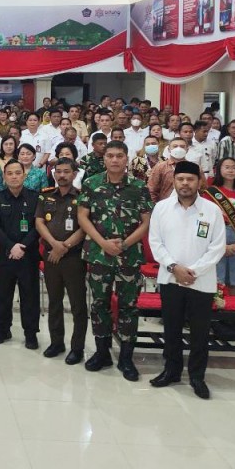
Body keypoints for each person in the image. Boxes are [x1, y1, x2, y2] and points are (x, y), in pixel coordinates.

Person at [148, 161, 226, 400]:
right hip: (170, 278)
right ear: (174, 181)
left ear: (199, 181)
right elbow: (155, 242)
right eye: (180, 179)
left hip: (200, 282)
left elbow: (217, 247)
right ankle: (171, 371)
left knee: (200, 332)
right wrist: (174, 267)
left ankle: (197, 376)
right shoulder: (161, 208)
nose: (185, 183)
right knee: (171, 328)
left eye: (190, 179)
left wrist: (193, 271)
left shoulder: (212, 211)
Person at [77, 140, 153, 381]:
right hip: (99, 254)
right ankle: (102, 353)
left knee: (128, 306)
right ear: (104, 158)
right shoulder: (91, 183)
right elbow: (83, 217)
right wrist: (103, 243)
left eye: (119, 155)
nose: (114, 160)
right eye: (110, 155)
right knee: (99, 303)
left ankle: (126, 358)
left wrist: (125, 244)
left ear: (126, 158)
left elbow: (146, 221)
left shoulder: (139, 187)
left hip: (128, 256)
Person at [35, 157, 88, 364]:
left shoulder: (83, 197)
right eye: (58, 171)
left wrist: (64, 247)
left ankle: (77, 347)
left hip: (73, 257)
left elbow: (85, 227)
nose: (62, 175)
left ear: (74, 174)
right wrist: (54, 245)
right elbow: (39, 222)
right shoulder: (46, 195)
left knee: (77, 304)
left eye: (66, 171)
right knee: (54, 301)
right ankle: (57, 342)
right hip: (51, 256)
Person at [0, 160, 40, 347]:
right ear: (4, 177)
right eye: (9, 173)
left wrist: (22, 247)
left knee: (30, 295)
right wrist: (12, 247)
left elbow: (37, 227)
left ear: (24, 175)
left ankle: (31, 333)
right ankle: (3, 329)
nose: (14, 176)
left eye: (18, 173)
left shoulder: (35, 198)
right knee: (3, 294)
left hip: (29, 255)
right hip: (5, 254)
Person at [203, 158, 235, 295]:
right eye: (227, 167)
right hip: (215, 238)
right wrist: (220, 246)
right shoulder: (211, 193)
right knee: (216, 280)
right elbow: (204, 220)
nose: (231, 170)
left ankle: (233, 314)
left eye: (234, 167)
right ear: (219, 170)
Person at [146, 138, 190, 202]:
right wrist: (156, 207)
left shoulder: (194, 168)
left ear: (187, 149)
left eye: (182, 146)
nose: (178, 149)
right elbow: (151, 190)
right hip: (165, 207)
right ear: (169, 149)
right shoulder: (160, 167)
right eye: (175, 146)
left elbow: (201, 189)